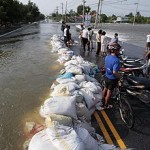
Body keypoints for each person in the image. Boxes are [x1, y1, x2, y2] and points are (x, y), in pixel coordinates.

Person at [102, 43, 121, 109]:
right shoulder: (116, 60)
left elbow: (106, 66)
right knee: (109, 92)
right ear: (116, 51)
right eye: (118, 50)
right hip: (112, 79)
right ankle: (106, 105)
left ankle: (102, 101)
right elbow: (114, 72)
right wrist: (120, 77)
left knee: (105, 88)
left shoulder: (107, 57)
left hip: (106, 76)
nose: (119, 51)